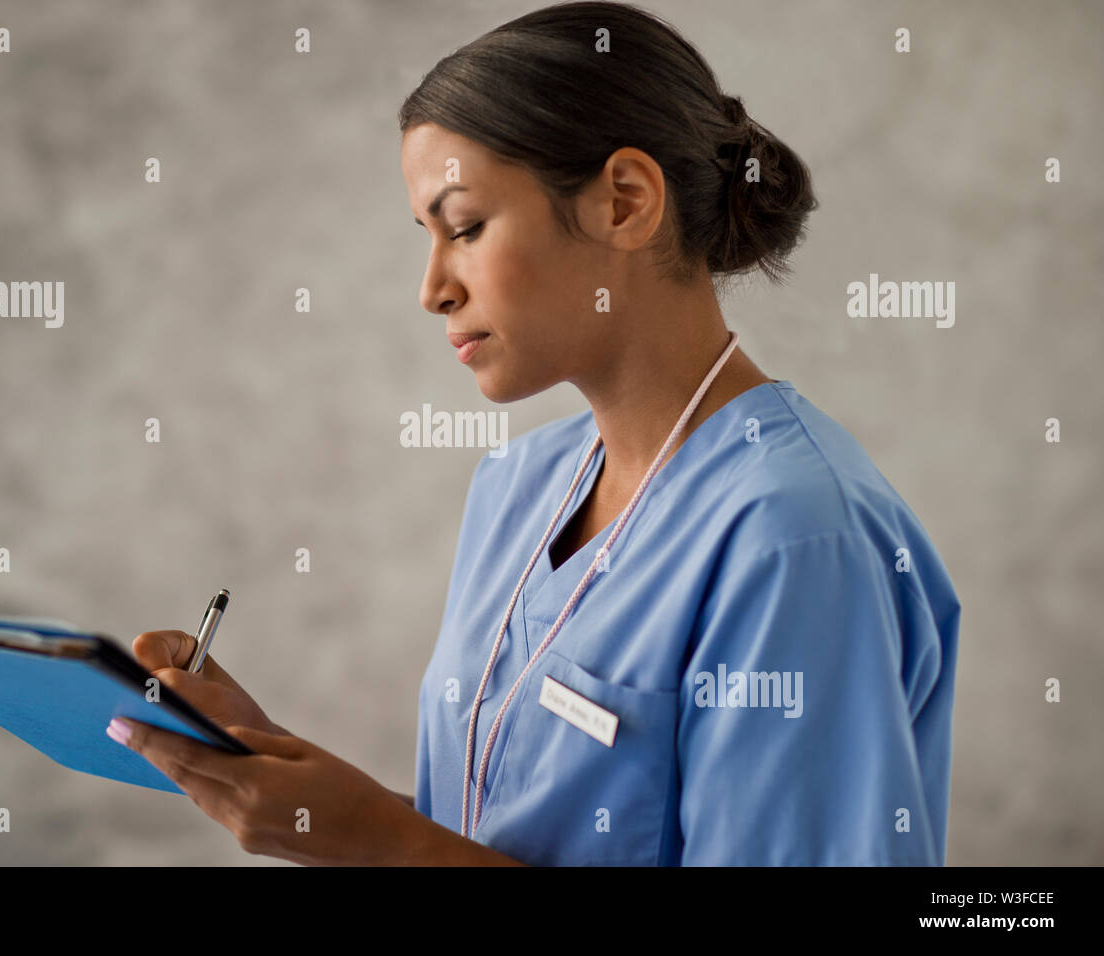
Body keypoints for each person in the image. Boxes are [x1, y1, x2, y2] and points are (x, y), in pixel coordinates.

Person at [106, 1, 960, 866]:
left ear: (624, 203)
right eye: (427, 237)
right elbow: (513, 837)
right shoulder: (522, 484)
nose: (433, 287)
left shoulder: (794, 539)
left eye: (466, 227)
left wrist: (385, 846)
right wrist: (280, 766)